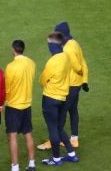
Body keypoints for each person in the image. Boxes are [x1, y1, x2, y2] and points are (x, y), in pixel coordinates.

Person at [38, 22, 88, 151]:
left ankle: (55, 140)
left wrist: (80, 72)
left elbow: (77, 66)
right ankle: (74, 139)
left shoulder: (67, 49)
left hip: (70, 85)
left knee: (60, 113)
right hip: (76, 83)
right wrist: (84, 79)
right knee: (73, 110)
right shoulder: (74, 43)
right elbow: (83, 61)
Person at [38, 32, 79, 166]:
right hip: (63, 97)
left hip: (50, 98)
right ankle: (71, 154)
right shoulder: (66, 57)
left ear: (52, 45)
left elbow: (42, 80)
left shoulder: (52, 61)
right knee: (58, 127)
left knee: (53, 128)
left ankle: (56, 159)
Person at [4, 40, 37, 171]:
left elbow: (7, 88)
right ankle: (32, 164)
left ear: (13, 50)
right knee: (28, 133)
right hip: (27, 104)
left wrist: (2, 102)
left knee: (12, 136)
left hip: (13, 106)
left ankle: (15, 167)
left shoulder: (11, 67)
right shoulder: (31, 63)